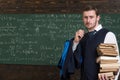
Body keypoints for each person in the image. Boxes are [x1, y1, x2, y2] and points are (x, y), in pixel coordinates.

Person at [58, 5, 120, 80]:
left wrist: (113, 78)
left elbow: (116, 62)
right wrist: (75, 42)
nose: (88, 20)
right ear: (82, 19)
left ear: (98, 18)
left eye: (91, 17)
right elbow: (76, 62)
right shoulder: (82, 38)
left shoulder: (108, 35)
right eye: (85, 17)